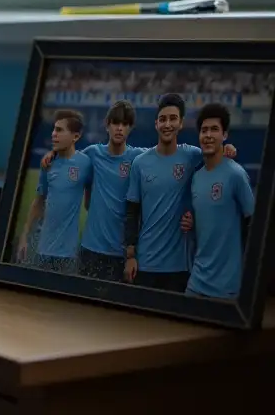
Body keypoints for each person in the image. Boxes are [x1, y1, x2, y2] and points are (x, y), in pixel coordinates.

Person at [39, 98, 237, 281]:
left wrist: (226, 149)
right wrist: (52, 153)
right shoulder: (92, 154)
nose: (119, 128)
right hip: (91, 248)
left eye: (125, 124)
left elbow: (186, 160)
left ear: (131, 128)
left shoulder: (139, 158)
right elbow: (70, 157)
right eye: (116, 123)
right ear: (107, 125)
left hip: (122, 252)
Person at [124, 93, 230, 292]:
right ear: (156, 124)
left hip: (180, 267)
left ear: (181, 123)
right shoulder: (140, 163)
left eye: (173, 119)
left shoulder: (192, 156)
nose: (167, 124)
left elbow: (215, 159)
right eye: (163, 119)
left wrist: (228, 148)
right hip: (145, 264)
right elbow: (131, 212)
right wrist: (130, 256)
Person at [183, 103, 255, 299]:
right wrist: (192, 223)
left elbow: (255, 226)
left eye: (214, 129)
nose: (208, 135)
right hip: (196, 282)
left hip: (227, 288)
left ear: (225, 135)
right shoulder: (196, 178)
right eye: (204, 130)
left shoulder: (235, 175)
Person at [16, 110, 92, 273]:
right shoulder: (48, 163)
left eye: (59, 130)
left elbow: (91, 200)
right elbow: (38, 201)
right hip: (41, 248)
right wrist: (24, 235)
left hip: (68, 254)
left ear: (76, 137)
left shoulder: (85, 163)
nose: (53, 134)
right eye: (53, 129)